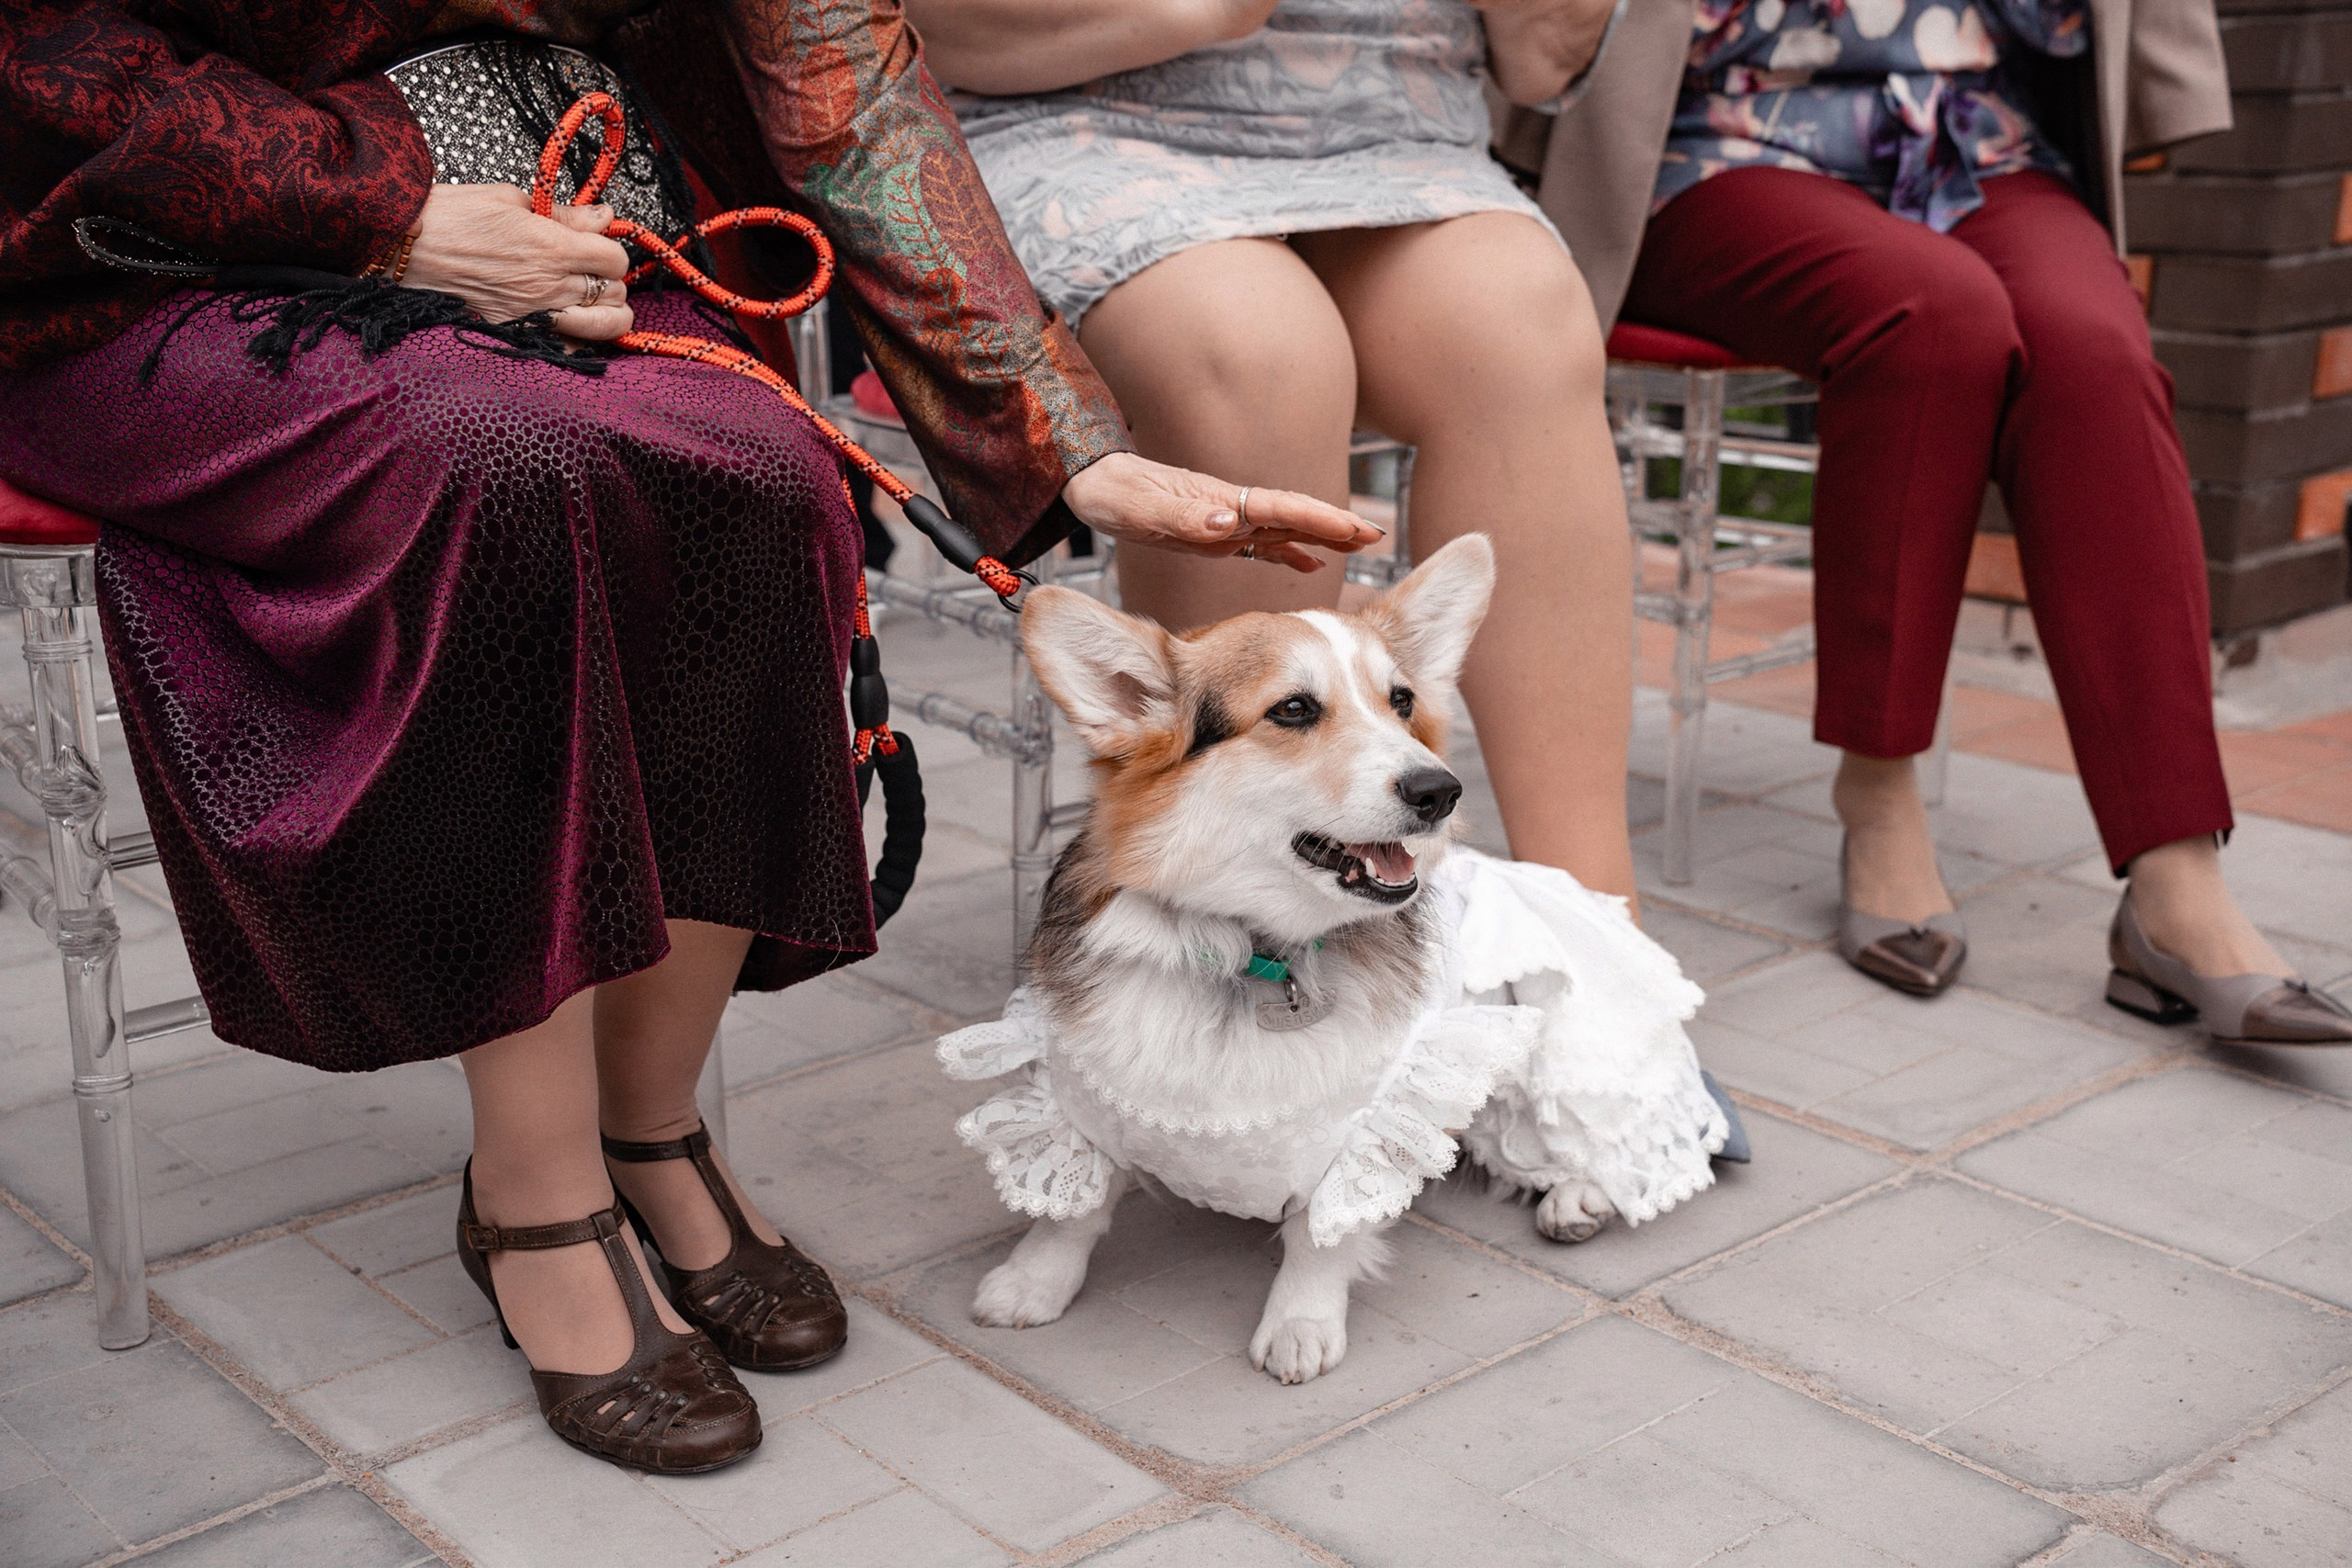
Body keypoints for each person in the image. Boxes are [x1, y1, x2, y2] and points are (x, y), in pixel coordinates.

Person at [0, 0, 1378, 1472]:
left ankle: (649, 1126)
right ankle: (531, 1194)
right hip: (175, 244)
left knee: (773, 480)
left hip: (582, 225)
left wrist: (1074, 449)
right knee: (506, 465)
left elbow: (834, 64)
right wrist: (383, 212)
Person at [1498, 0, 2352, 1040]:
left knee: (2094, 352)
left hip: (1980, 135)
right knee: (1932, 315)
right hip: (1719, 144)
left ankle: (2176, 881)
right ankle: (1878, 790)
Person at [907, 0, 1645, 903]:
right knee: (1259, 354)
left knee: (1523, 327)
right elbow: (895, 30)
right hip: (1079, 107)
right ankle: (1218, 937)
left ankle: (1595, 939)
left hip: (1395, 127)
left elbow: (1536, 67)